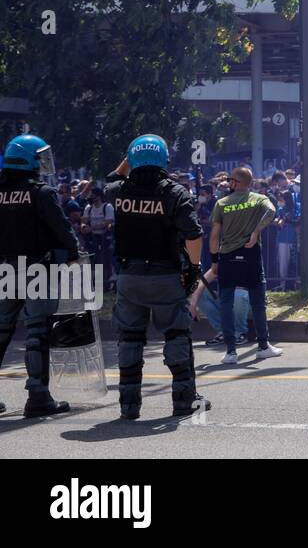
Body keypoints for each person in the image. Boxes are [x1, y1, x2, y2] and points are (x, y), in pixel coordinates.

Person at [105, 135, 209, 420]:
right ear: (164, 159)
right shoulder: (174, 193)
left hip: (129, 276)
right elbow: (194, 234)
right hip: (165, 275)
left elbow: (111, 177)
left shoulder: (119, 191)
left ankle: (129, 405)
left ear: (133, 159)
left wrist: (129, 158)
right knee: (176, 335)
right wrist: (194, 267)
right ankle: (184, 401)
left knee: (129, 340)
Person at [0, 134, 79, 417]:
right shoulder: (40, 192)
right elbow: (62, 229)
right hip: (37, 268)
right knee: (37, 333)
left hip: (6, 268)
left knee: (2, 331)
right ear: (28, 159)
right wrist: (73, 253)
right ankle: (38, 396)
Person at [209, 166, 283, 364]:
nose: (229, 183)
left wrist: (214, 261)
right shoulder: (259, 199)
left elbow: (214, 236)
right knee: (258, 302)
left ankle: (231, 352)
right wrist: (256, 231)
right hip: (250, 254)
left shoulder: (222, 203)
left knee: (225, 302)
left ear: (236, 182)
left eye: (231, 180)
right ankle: (263, 346)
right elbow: (271, 211)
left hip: (227, 256)